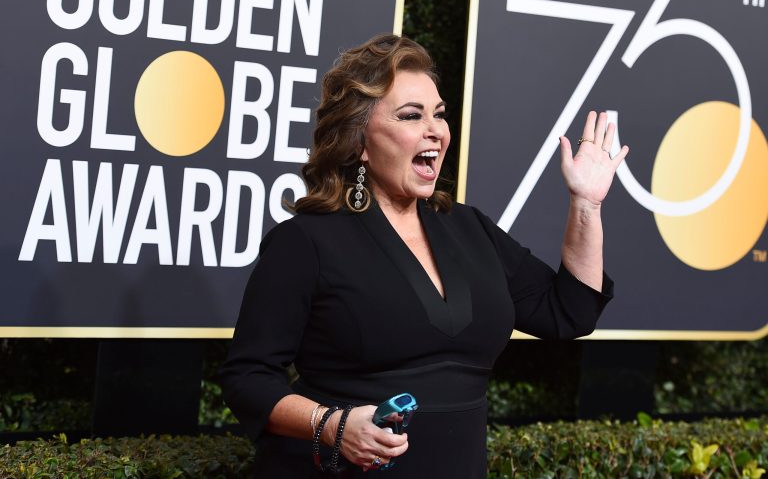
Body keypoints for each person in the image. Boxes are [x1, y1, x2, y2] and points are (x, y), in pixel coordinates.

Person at [220, 34, 629, 478]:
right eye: (411, 116)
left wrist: (586, 205)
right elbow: (248, 379)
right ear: (359, 142)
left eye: (439, 114)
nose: (435, 130)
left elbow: (570, 311)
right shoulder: (305, 242)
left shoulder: (469, 228)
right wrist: (333, 425)